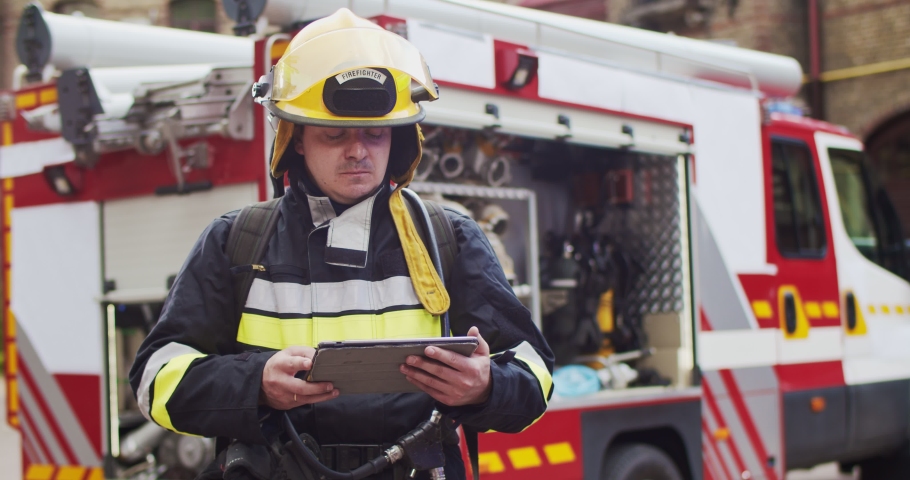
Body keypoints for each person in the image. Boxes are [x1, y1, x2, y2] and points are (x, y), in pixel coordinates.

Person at [129, 8, 553, 480]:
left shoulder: (448, 238)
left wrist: (486, 386)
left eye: (375, 133)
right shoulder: (236, 241)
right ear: (296, 138)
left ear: (398, 138)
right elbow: (153, 380)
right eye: (335, 134)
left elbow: (535, 375)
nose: (358, 151)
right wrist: (255, 383)